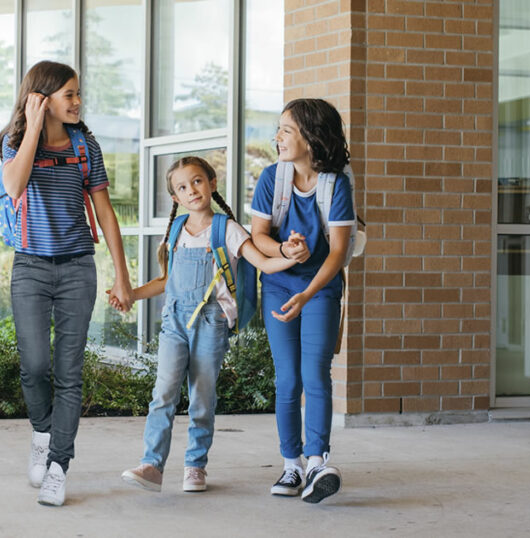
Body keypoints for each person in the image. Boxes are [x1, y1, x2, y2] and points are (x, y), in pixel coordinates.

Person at [115, 156, 303, 493]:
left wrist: (289, 255)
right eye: (183, 187)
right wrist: (131, 294)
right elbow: (167, 280)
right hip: (174, 321)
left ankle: (195, 467)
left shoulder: (227, 230)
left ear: (212, 183)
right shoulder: (175, 230)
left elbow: (260, 262)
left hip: (210, 323)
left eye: (197, 181)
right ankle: (152, 466)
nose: (192, 190)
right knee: (163, 393)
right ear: (175, 198)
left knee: (201, 396)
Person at [0, 60, 133, 507]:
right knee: (34, 366)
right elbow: (15, 186)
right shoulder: (14, 142)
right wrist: (33, 125)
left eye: (78, 94)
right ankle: (41, 432)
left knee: (69, 373)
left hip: (77, 267)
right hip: (31, 268)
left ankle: (58, 465)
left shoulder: (85, 147)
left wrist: (122, 274)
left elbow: (105, 211)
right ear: (42, 98)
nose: (77, 102)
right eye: (69, 94)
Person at [249, 98, 355, 504]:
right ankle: (291, 463)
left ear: (311, 137)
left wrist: (308, 292)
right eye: (278, 129)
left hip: (321, 287)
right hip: (278, 285)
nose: (277, 137)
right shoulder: (272, 179)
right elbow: (258, 235)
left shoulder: (336, 184)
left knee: (316, 374)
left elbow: (338, 253)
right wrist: (284, 251)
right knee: (288, 378)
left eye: (286, 130)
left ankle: (316, 461)